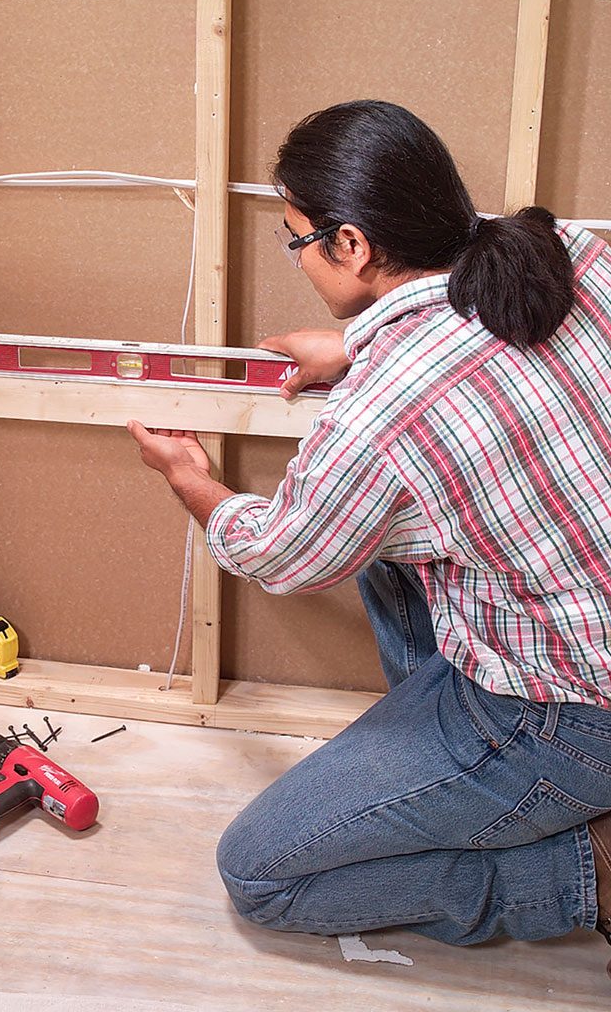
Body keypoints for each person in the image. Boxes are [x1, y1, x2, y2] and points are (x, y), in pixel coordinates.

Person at [127, 100, 611, 962]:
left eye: (297, 239)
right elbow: (470, 351)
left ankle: (588, 868)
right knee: (386, 549)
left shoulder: (380, 416)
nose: (299, 257)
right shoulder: (568, 250)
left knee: (265, 874)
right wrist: (362, 342)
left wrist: (191, 482)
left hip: (568, 713)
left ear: (351, 244)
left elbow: (279, 552)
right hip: (589, 641)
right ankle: (460, 779)